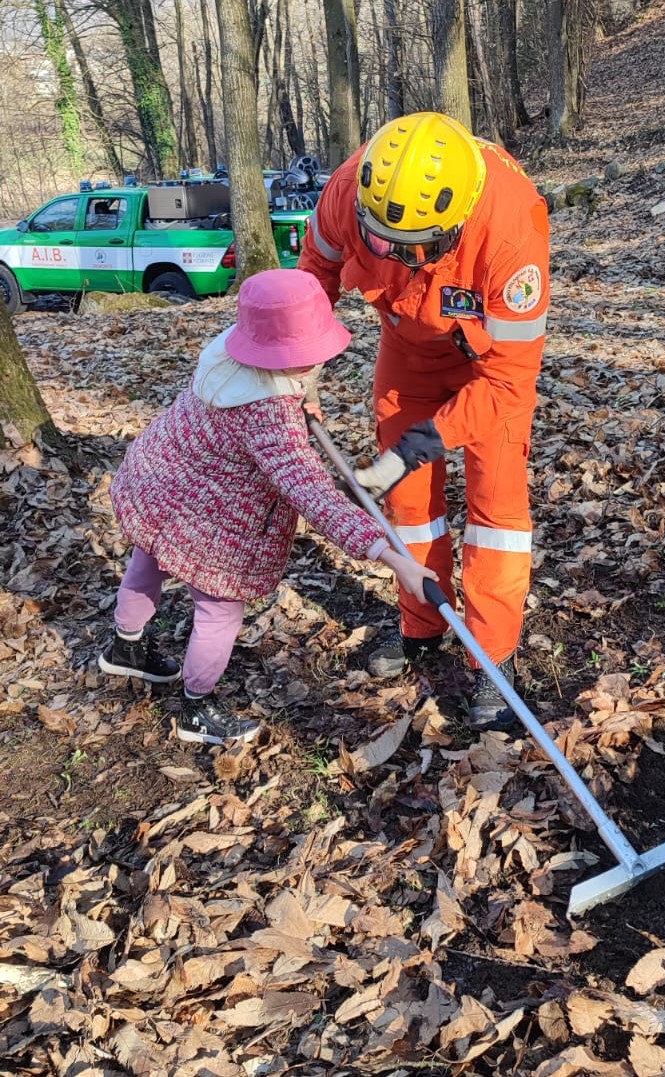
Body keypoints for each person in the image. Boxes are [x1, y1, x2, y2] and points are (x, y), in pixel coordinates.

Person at [98, 269, 437, 746]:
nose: (309, 365)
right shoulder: (267, 416)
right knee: (218, 612)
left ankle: (125, 647)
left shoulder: (227, 350)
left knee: (147, 558)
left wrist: (305, 399)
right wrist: (395, 559)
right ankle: (197, 709)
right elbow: (314, 495)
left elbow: (285, 382)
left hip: (160, 477)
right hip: (207, 516)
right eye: (301, 360)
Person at [298, 111, 550, 732]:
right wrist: (299, 364)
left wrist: (416, 445)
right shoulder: (349, 188)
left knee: (496, 513)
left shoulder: (512, 229)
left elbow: (509, 380)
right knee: (411, 505)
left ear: (456, 224)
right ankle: (421, 625)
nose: (392, 256)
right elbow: (314, 274)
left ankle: (493, 655)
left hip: (489, 364)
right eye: (379, 240)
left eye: (412, 248)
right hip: (409, 350)